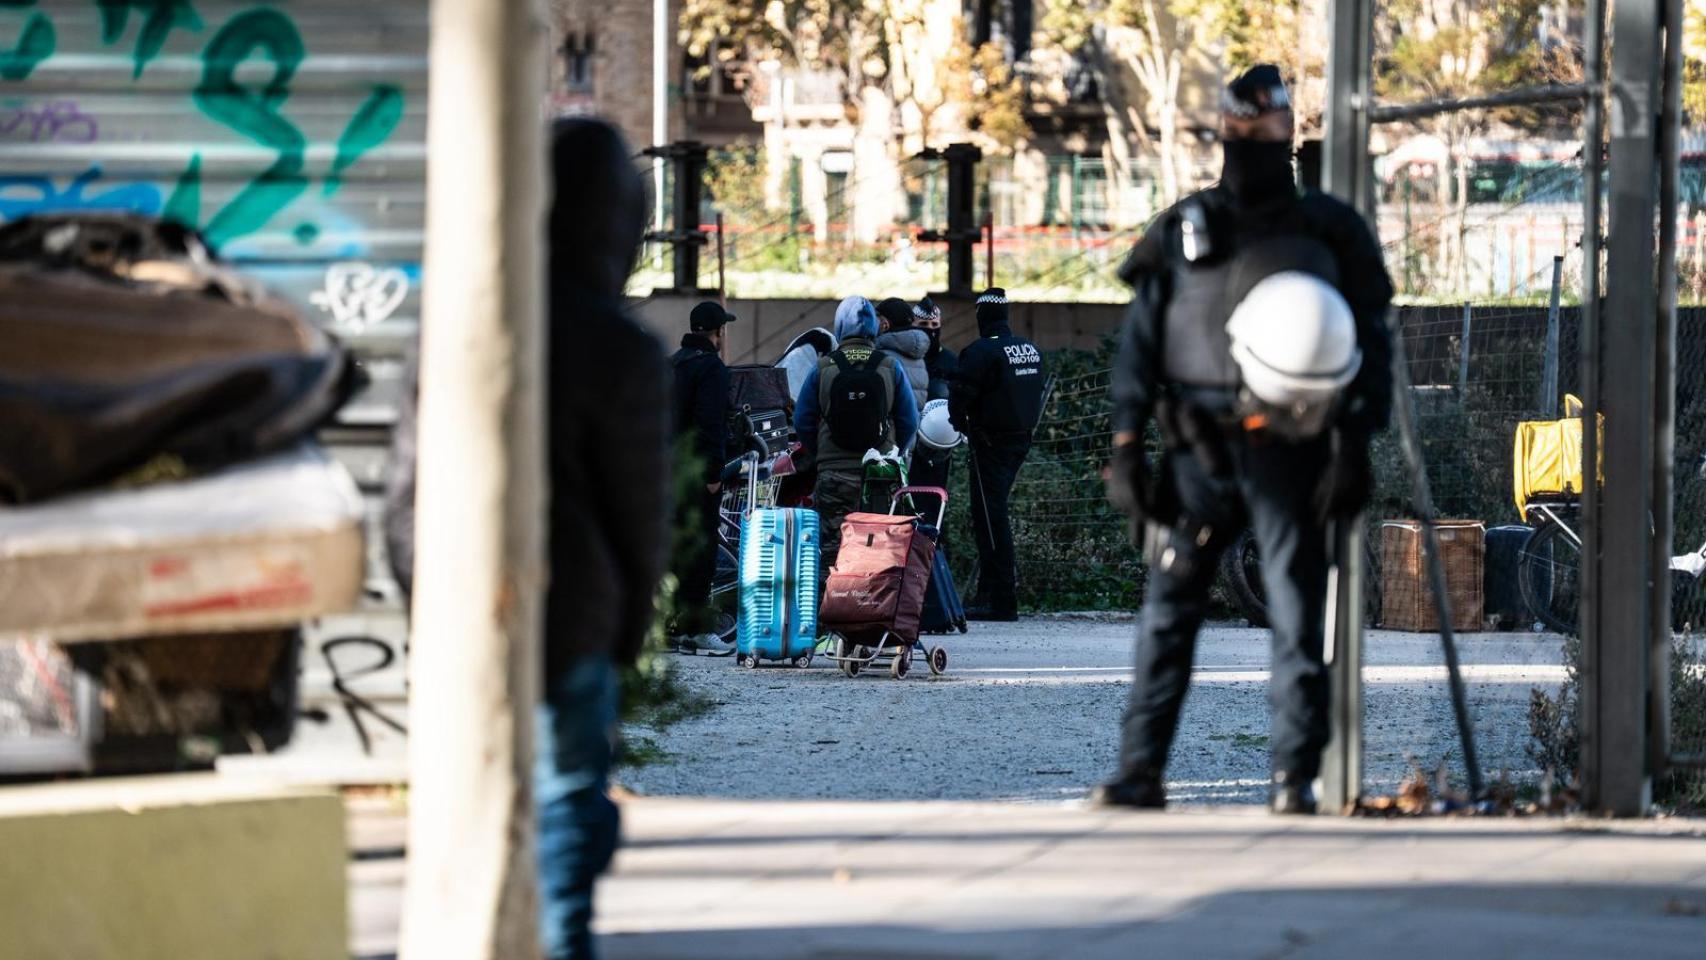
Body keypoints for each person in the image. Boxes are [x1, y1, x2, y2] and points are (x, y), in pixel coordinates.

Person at [1093, 65, 1395, 815]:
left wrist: (1356, 443)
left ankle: (1294, 780)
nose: (1257, 131)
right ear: (1223, 127)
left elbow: (1372, 343)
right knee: (1169, 612)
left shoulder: (1330, 229)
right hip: (1198, 452)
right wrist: (1127, 446)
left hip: (1294, 449)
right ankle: (1140, 774)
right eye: (1246, 118)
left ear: (1290, 129)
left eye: (1270, 119)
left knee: (1297, 614)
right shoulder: (1185, 227)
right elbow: (1139, 345)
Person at [537, 118, 672, 959]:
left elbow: (408, 487)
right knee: (567, 796)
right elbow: (640, 512)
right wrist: (627, 629)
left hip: (457, 613)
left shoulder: (460, 320)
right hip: (574, 610)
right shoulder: (620, 349)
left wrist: (424, 591)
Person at [794, 295, 920, 569]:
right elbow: (910, 419)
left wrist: (823, 454)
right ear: (875, 327)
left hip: (834, 473)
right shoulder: (890, 366)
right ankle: (872, 607)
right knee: (877, 547)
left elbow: (802, 419)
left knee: (832, 548)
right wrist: (891, 451)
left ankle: (830, 608)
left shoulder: (823, 367)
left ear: (840, 327)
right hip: (879, 472)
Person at [949, 287, 1045, 622]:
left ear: (981, 316)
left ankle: (1001, 601)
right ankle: (988, 595)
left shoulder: (981, 352)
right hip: (1020, 442)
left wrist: (962, 425)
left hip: (989, 445)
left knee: (990, 521)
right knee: (995, 515)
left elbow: (959, 398)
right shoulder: (1029, 349)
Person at [668, 300, 736, 655]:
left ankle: (675, 626)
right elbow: (711, 426)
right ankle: (695, 631)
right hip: (697, 473)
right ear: (718, 332)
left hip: (668, 471)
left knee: (676, 549)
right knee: (702, 550)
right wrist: (713, 474)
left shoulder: (674, 364)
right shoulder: (711, 369)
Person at [875, 296, 930, 411]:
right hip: (914, 425)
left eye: (877, 319)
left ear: (885, 324)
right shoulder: (919, 357)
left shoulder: (881, 357)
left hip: (891, 426)